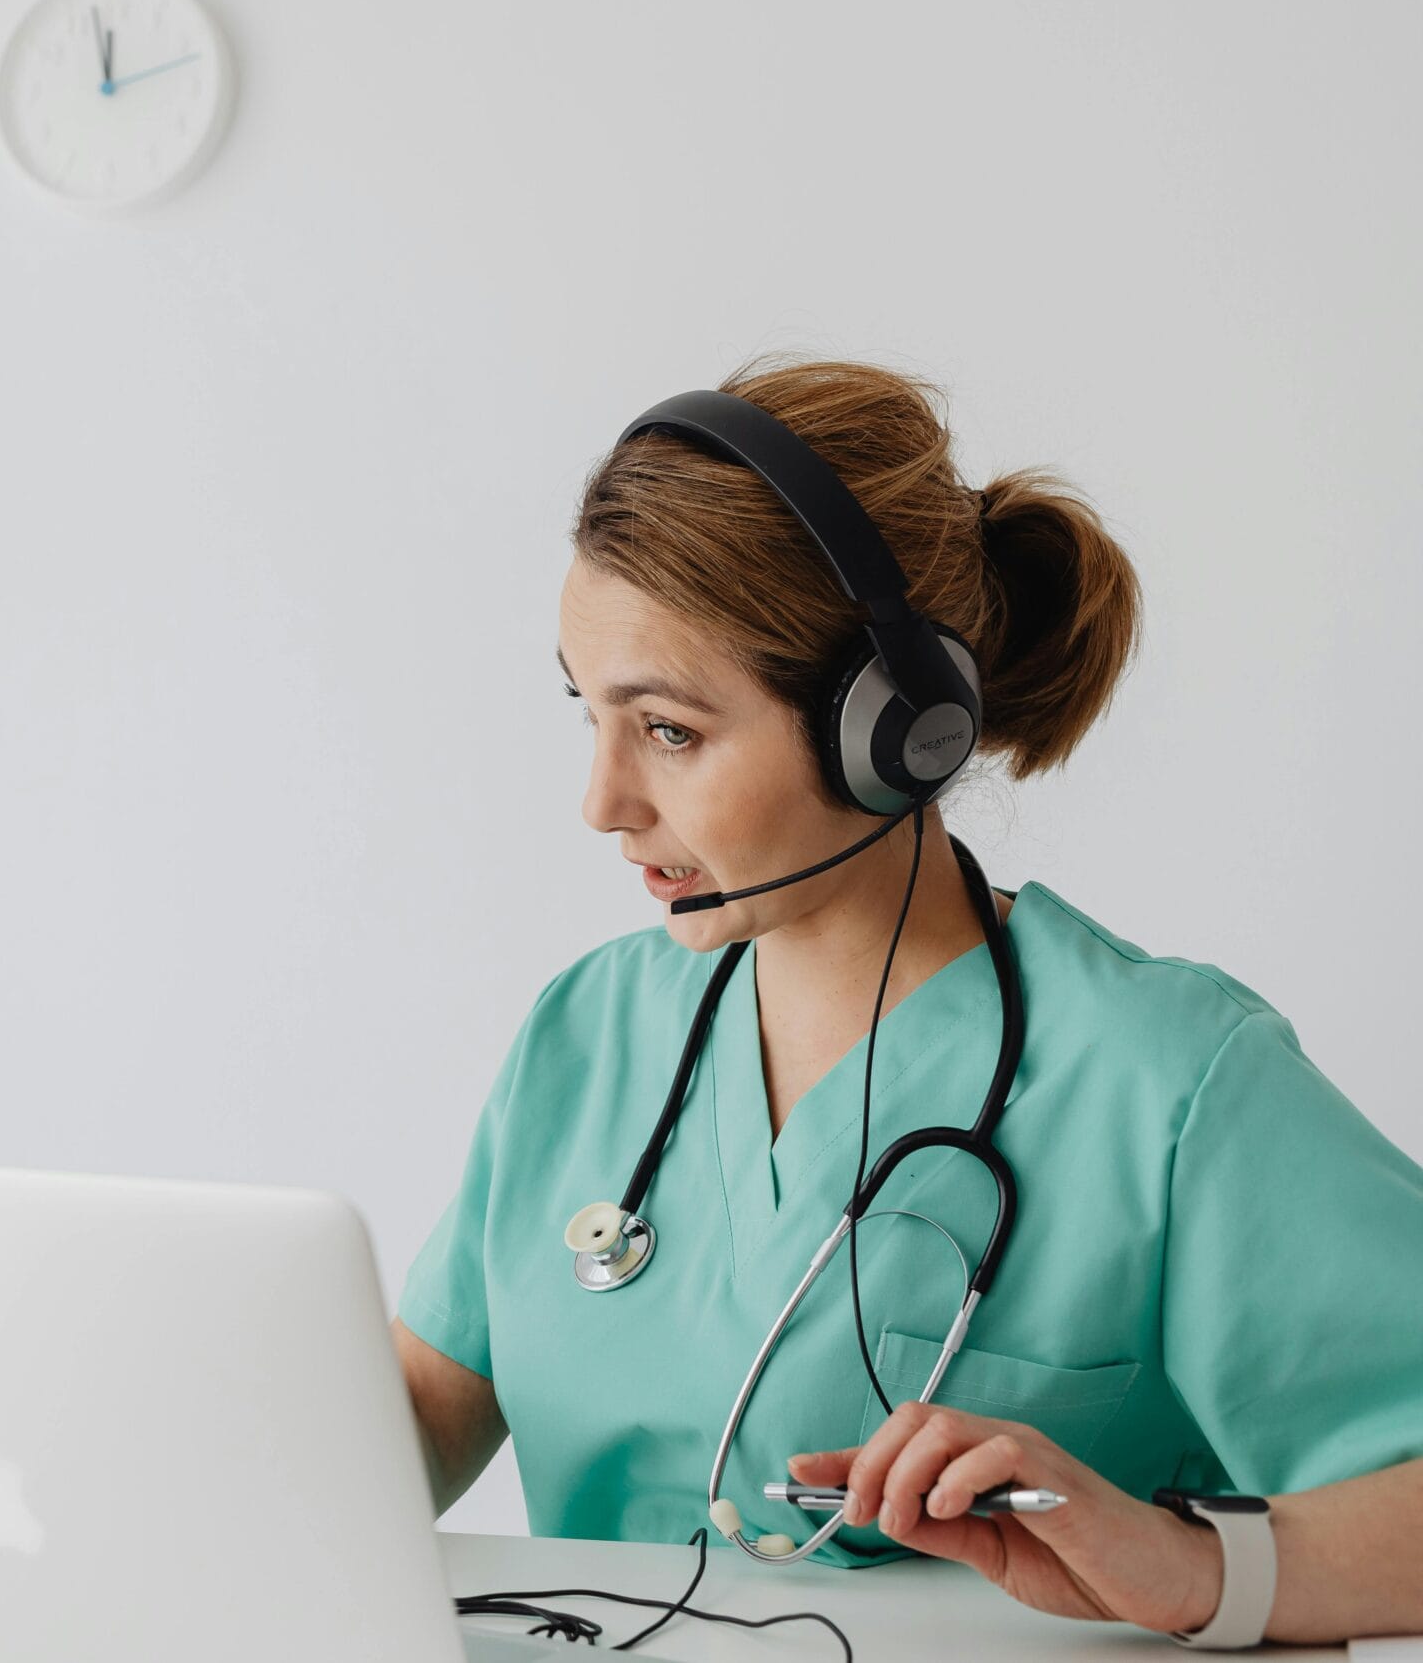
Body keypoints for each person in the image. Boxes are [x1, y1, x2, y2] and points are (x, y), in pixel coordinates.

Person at [393, 354, 1423, 1646]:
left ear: (891, 731)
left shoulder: (1170, 1082)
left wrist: (1193, 1567)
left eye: (668, 731)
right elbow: (429, 1408)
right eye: (586, 713)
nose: (601, 803)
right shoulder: (591, 1030)